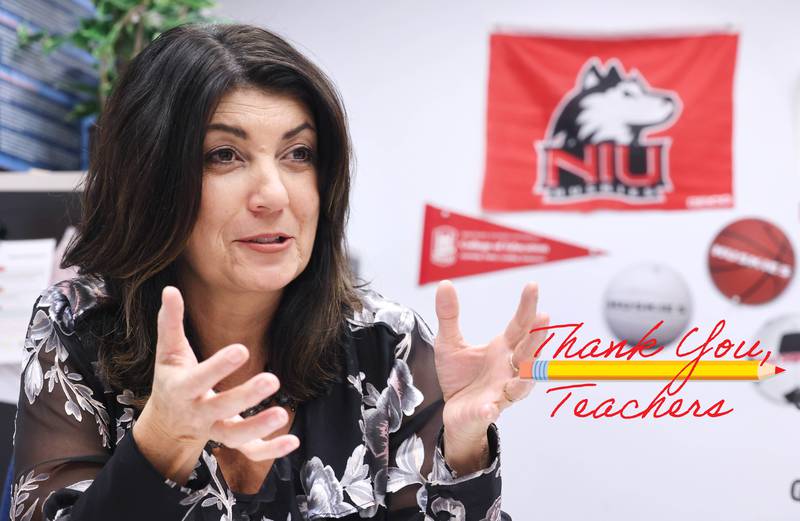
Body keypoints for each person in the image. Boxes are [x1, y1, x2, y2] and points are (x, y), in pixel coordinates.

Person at [11, 23, 548, 521]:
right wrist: (160, 444)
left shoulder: (386, 343)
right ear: (153, 178)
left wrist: (466, 446)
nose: (274, 195)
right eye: (224, 154)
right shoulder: (81, 326)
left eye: (298, 153)